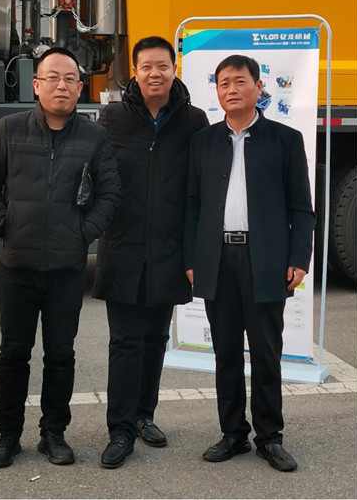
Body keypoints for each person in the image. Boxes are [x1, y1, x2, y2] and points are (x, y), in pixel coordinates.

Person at [0, 47, 121, 468]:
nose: (61, 85)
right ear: (36, 85)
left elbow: (111, 193)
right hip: (16, 265)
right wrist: (4, 224)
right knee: (13, 353)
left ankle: (53, 433)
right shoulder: (10, 129)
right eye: (52, 77)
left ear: (80, 87)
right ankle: (7, 434)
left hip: (66, 267)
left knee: (60, 354)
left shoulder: (93, 137)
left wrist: (82, 234)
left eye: (70, 78)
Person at [185, 54, 315, 472]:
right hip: (217, 258)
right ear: (217, 91)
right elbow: (191, 206)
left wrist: (298, 258)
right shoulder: (203, 142)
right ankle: (233, 434)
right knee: (224, 352)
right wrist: (192, 258)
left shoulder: (285, 139)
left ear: (259, 87)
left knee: (265, 353)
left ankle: (270, 437)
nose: (231, 89)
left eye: (240, 81)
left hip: (266, 261)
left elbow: (302, 209)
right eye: (223, 83)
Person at [93, 36, 209, 468]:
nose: (154, 74)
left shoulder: (193, 121)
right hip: (123, 246)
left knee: (156, 339)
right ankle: (120, 431)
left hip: (169, 250)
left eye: (162, 66)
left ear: (174, 70)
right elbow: (94, 177)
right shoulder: (112, 118)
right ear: (135, 72)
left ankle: (145, 415)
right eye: (146, 67)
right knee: (125, 342)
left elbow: (200, 187)